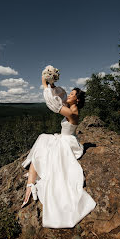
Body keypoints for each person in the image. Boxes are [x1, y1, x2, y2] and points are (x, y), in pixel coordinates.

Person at [20, 75, 96, 228]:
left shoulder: (73, 113)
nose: (69, 95)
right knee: (43, 140)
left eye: (72, 95)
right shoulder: (71, 107)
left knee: (43, 145)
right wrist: (52, 85)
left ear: (78, 100)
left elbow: (54, 105)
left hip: (67, 142)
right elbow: (59, 96)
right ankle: (31, 182)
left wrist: (44, 83)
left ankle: (31, 184)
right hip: (63, 137)